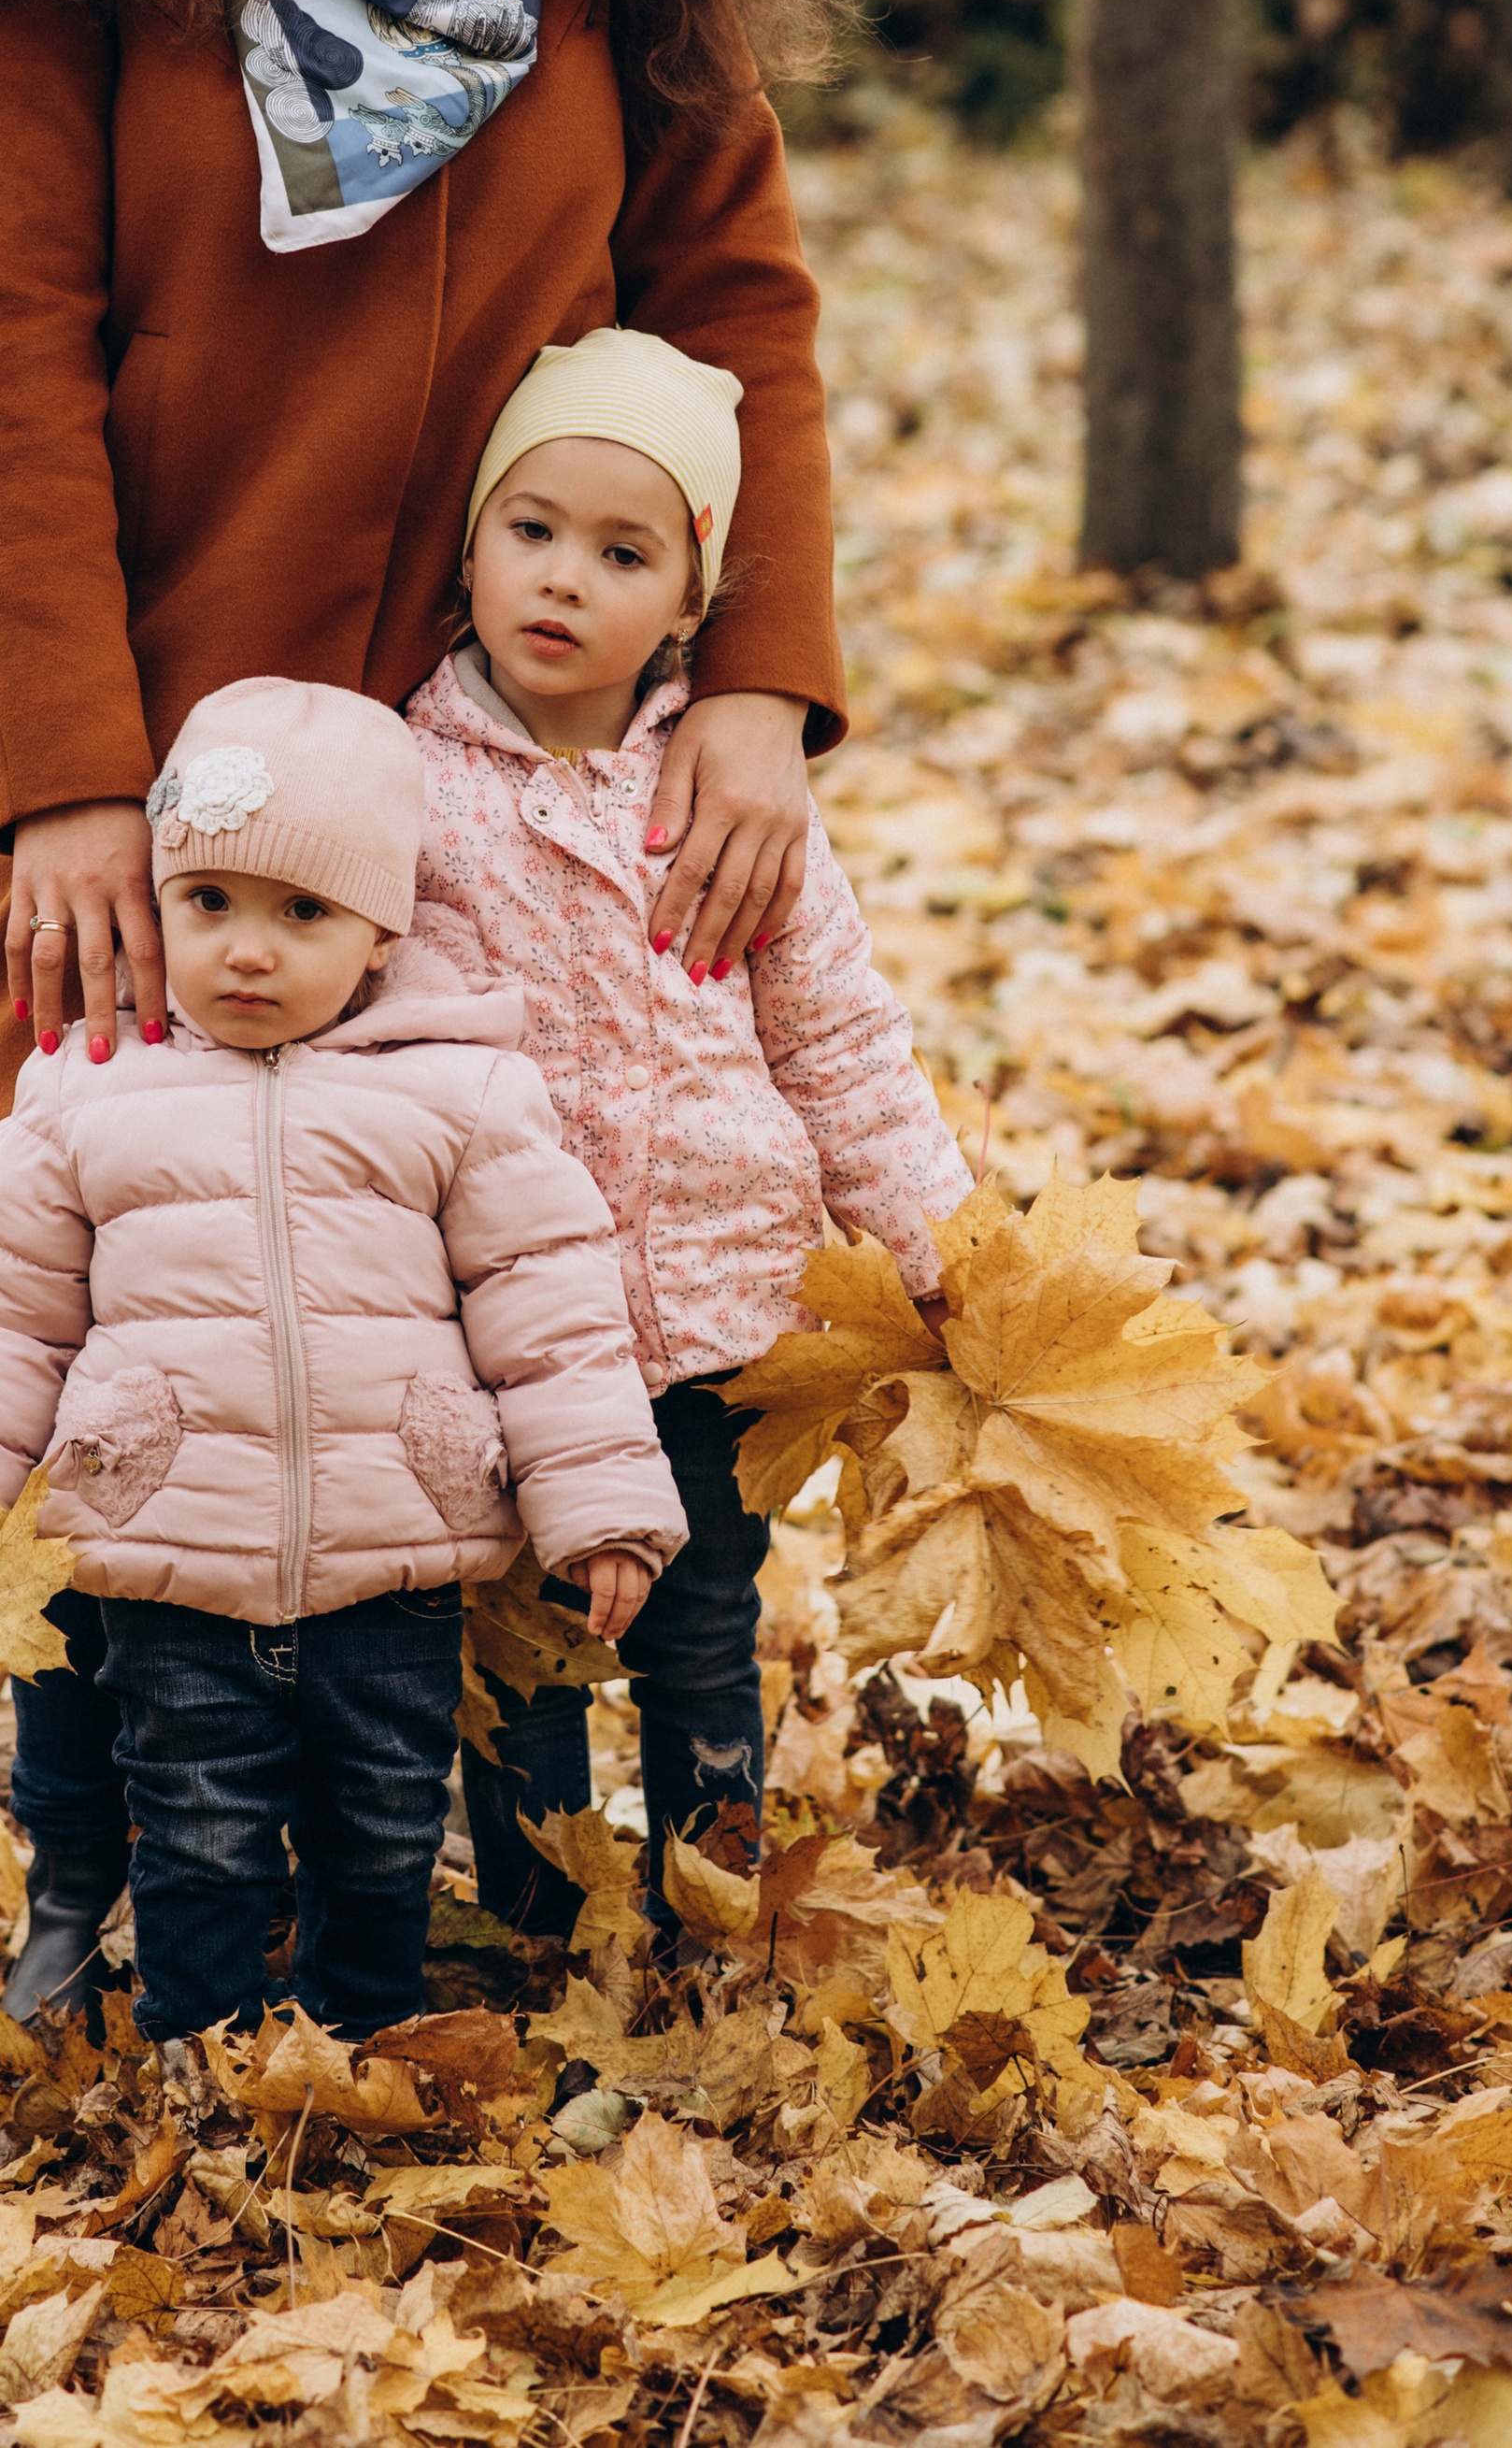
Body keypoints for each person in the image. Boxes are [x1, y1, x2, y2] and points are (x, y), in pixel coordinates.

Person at [0, 0, 851, 2013]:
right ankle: (117, 1880)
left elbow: (739, 299)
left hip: (515, 767)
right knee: (131, 1328)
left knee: (466, 1315)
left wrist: (759, 682)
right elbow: (4, 368)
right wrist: (67, 771)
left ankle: (423, 1862)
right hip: (176, 785)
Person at [0, 681, 685, 2042]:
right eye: (209, 903)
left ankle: (360, 2038)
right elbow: (2, 1320)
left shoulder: (457, 1089)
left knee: (382, 1822)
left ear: (382, 931)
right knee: (199, 1825)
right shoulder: (83, 1091)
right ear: (157, 906)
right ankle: (203, 2046)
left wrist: (602, 1512)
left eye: (303, 916)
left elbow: (552, 1313)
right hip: (165, 1550)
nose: (246, 951)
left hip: (393, 1558)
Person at [404, 330, 975, 1930]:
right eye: (532, 531)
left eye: (622, 551)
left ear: (692, 602)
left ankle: (715, 1902)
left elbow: (840, 1037)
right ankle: (538, 1913)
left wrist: (944, 1249)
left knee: (700, 1627)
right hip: (504, 1329)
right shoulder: (407, 784)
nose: (564, 580)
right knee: (520, 1642)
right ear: (470, 545)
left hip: (721, 1309)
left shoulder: (730, 793)